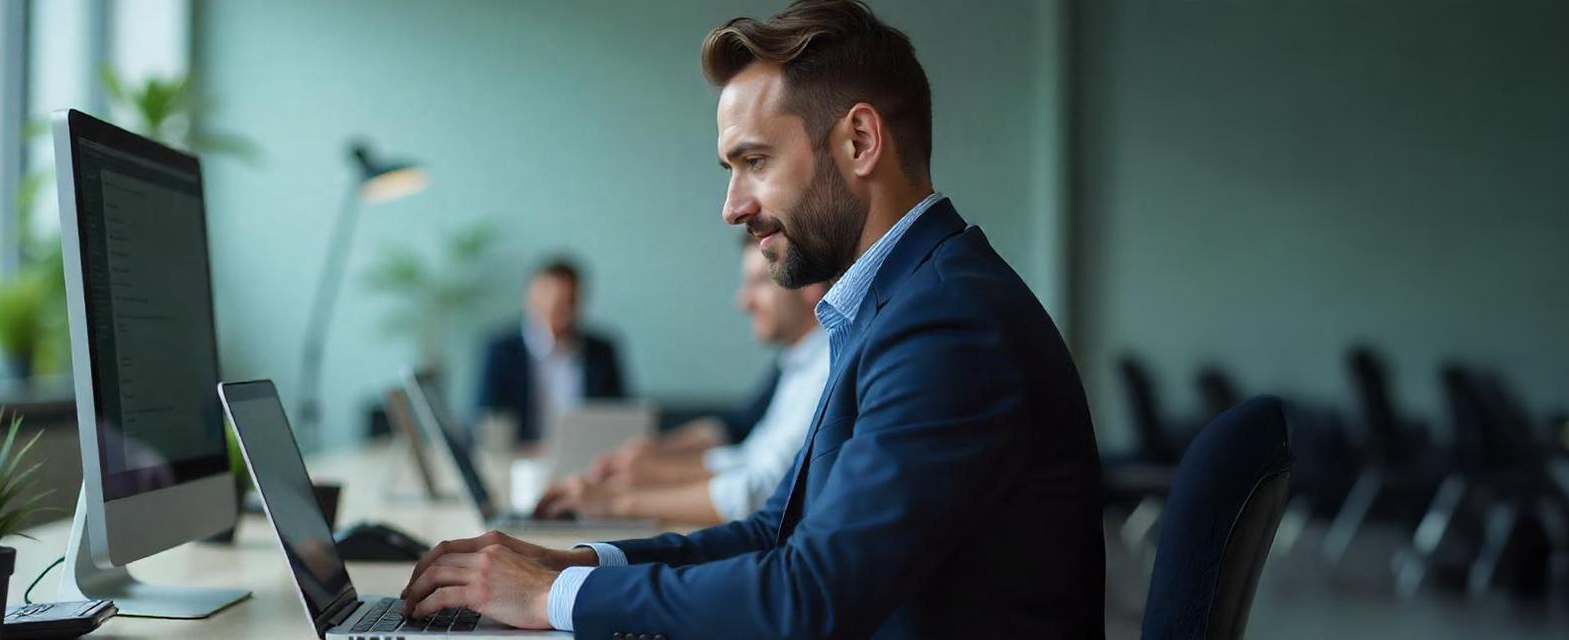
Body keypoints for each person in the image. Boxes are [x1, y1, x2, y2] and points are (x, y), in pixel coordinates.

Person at [400, 1, 1104, 637]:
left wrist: (556, 600)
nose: (732, 207)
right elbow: (780, 530)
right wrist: (574, 564)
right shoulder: (895, 302)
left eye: (755, 161)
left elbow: (810, 594)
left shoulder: (947, 324)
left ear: (860, 141)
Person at [532, 236, 830, 525]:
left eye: (761, 282)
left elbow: (763, 487)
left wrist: (621, 498)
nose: (743, 302)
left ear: (810, 285)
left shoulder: (826, 366)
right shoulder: (795, 363)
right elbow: (747, 455)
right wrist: (650, 462)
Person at [475, 258, 630, 448]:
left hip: (586, 458)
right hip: (520, 460)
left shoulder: (602, 351)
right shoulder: (501, 351)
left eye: (567, 302)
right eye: (550, 301)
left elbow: (618, 418)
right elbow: (485, 421)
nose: (558, 311)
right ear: (530, 298)